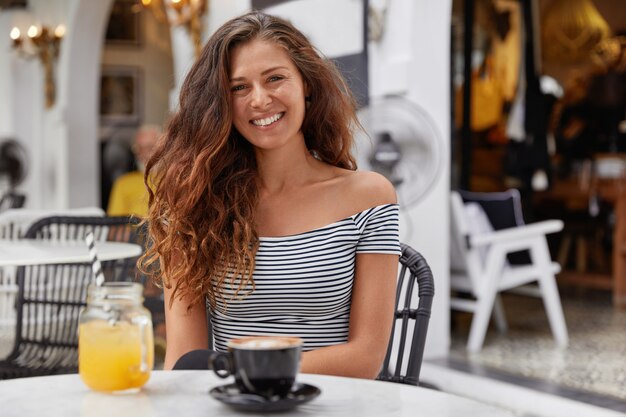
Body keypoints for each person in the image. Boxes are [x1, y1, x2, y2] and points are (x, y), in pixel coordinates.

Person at [140, 11, 400, 379]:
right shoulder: (194, 202)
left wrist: (239, 369)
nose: (260, 100)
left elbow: (366, 358)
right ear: (220, 102)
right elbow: (184, 359)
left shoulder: (369, 197)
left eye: (275, 78)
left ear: (306, 84)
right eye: (239, 87)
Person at [107, 125, 161, 216]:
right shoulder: (123, 182)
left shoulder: (173, 181)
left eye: (149, 147)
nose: (144, 153)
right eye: (139, 148)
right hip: (132, 229)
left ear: (162, 148)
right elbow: (114, 225)